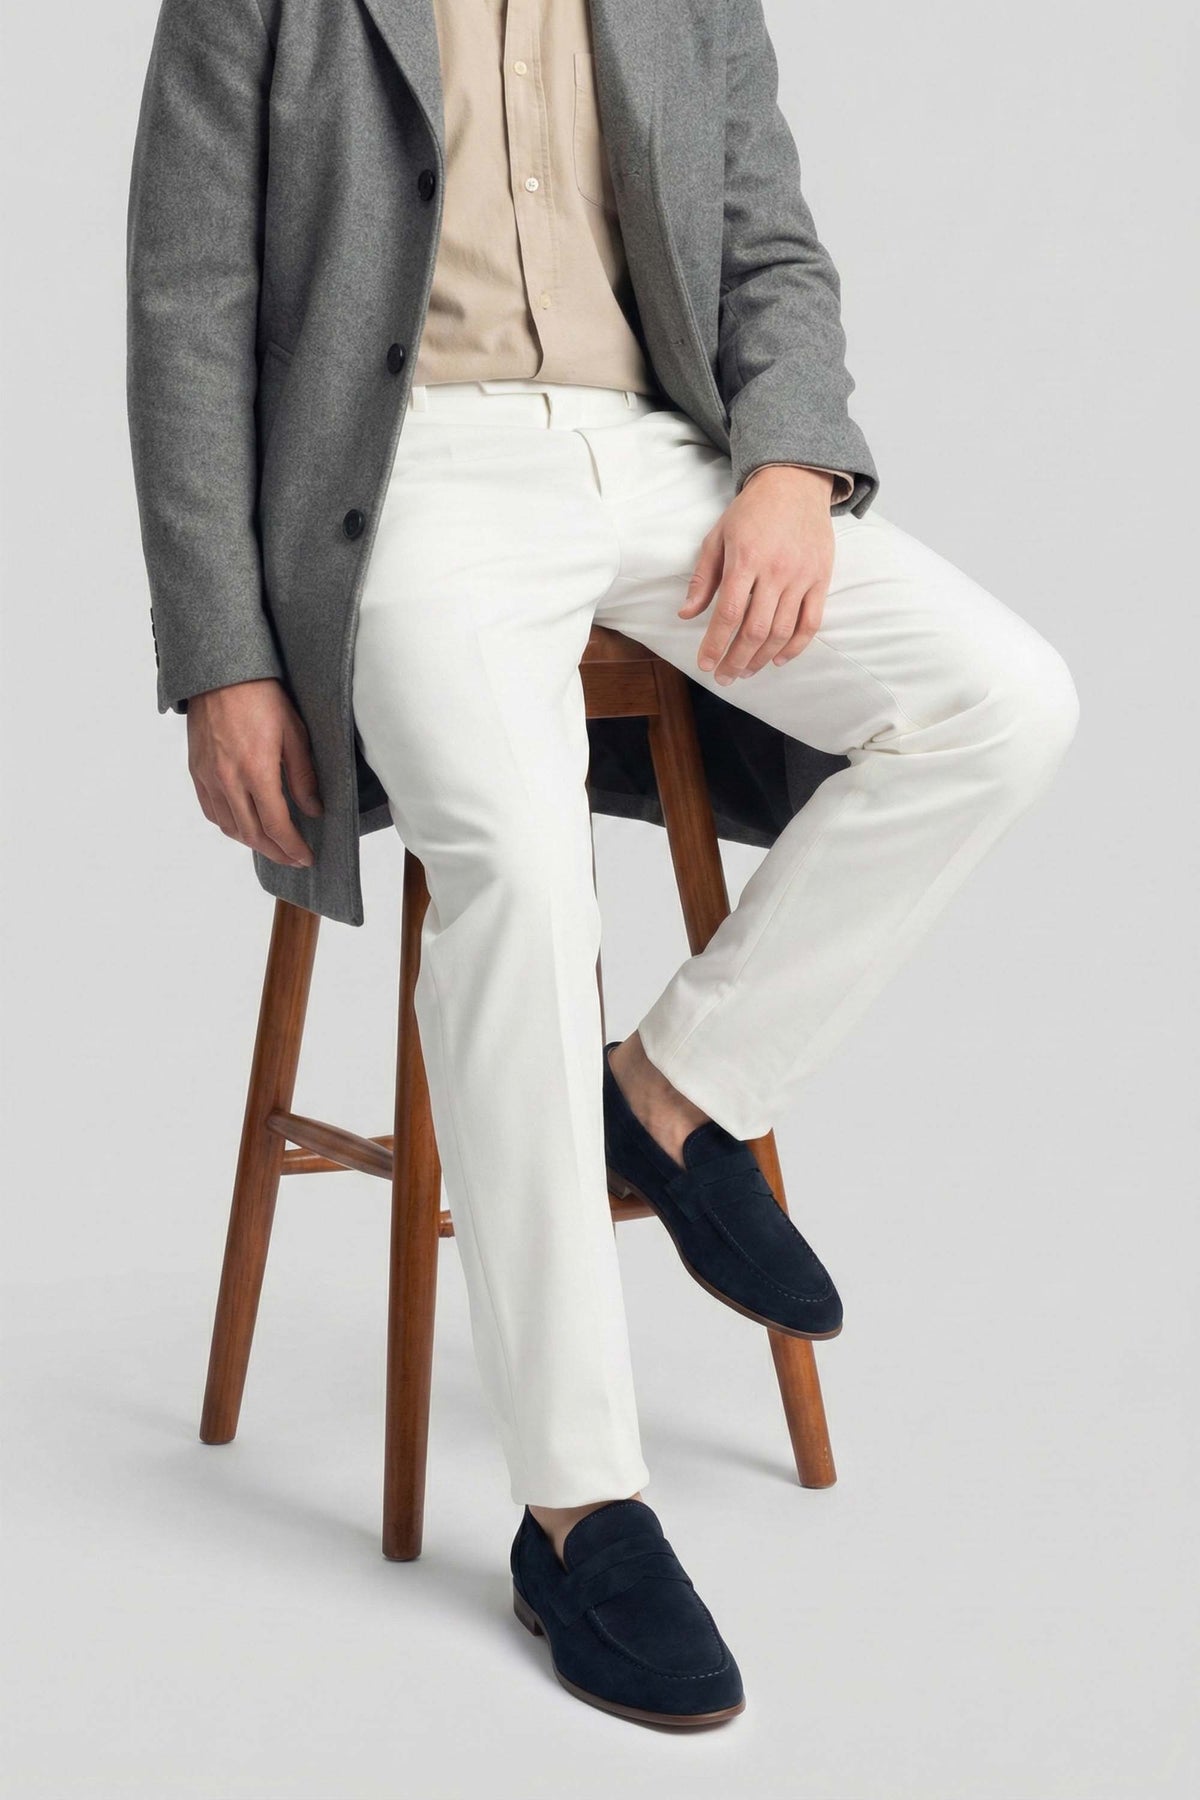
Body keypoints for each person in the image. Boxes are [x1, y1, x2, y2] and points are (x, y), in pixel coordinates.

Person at [126, 0, 1080, 1727]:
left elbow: (765, 235)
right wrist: (221, 655)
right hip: (405, 473)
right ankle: (580, 1511)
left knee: (1002, 702)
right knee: (516, 862)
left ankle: (668, 1088)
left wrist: (793, 461)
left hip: (661, 456)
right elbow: (186, 300)